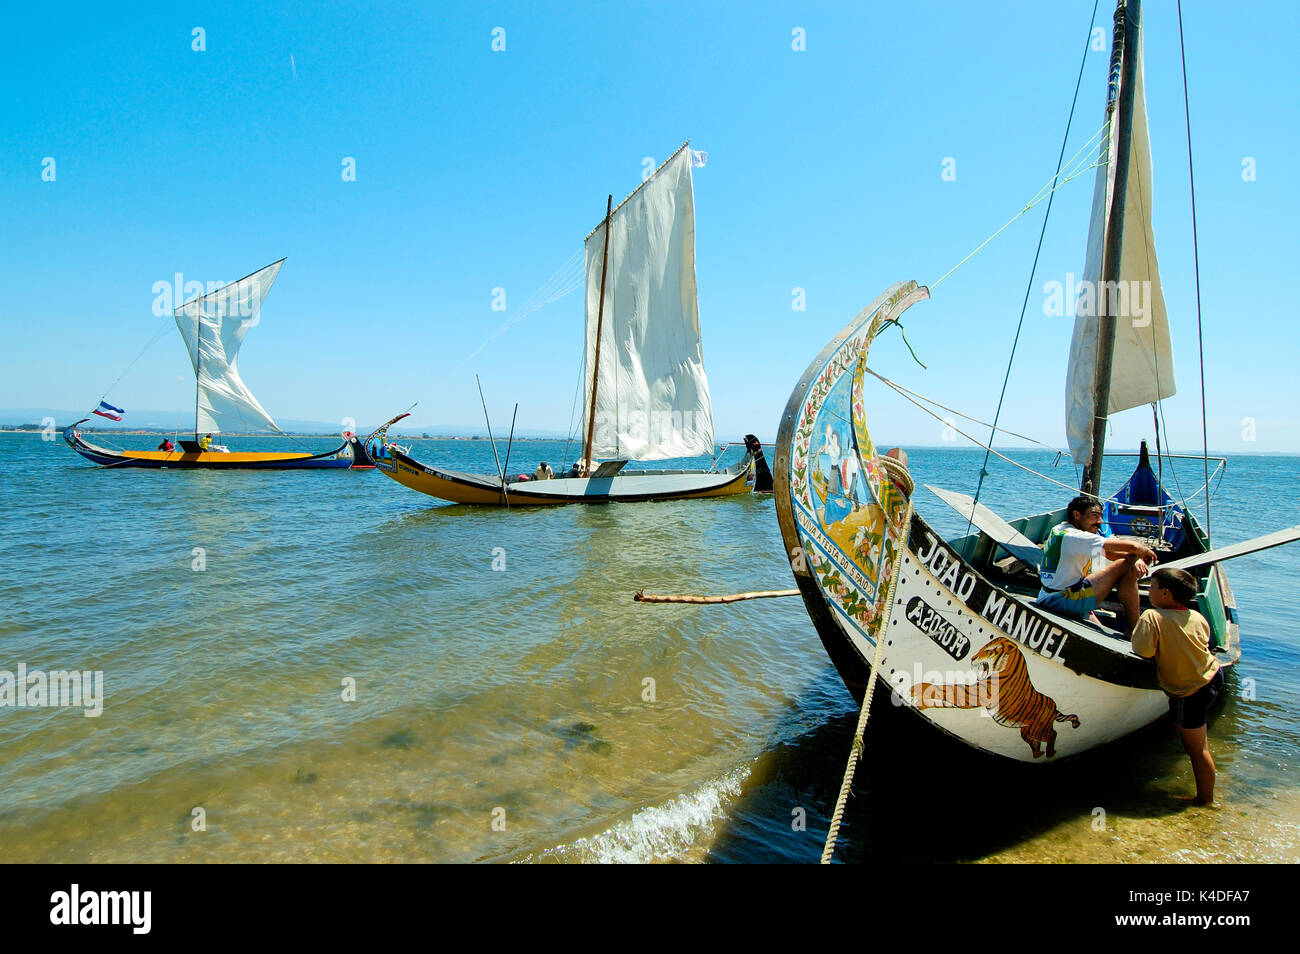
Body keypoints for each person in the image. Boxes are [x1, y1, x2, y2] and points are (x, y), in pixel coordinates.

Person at [1131, 567, 1222, 804]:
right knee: (1197, 741)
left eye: (1151, 587)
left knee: (1197, 749)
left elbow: (1143, 650)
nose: (1148, 591)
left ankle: (1204, 800)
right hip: (1213, 675)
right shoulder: (1196, 616)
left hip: (1189, 691)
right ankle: (1205, 797)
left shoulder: (1152, 617)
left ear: (1165, 594)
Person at [1035, 494, 1156, 632]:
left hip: (1047, 595)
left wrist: (1134, 558)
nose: (1100, 522)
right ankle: (1134, 629)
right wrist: (1142, 551)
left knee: (1127, 562)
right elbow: (1133, 547)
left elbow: (1109, 554)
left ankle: (1090, 613)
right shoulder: (1076, 537)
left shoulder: (1061, 529)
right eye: (1094, 516)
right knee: (1126, 566)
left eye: (1101, 516)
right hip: (1062, 600)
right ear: (1077, 515)